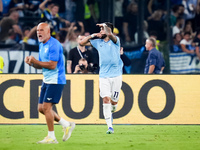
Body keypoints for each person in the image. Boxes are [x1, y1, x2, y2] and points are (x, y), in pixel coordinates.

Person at [24, 22, 75, 144]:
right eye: (37, 30)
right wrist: (32, 63)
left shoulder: (54, 45)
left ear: (48, 32)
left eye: (41, 30)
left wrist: (36, 61)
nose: (38, 33)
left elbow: (52, 65)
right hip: (47, 79)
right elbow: (41, 66)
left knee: (46, 107)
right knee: (41, 108)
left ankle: (51, 137)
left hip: (56, 80)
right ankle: (66, 124)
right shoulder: (42, 44)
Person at [79, 22, 123, 134]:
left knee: (114, 103)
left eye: (102, 29)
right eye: (101, 29)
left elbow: (110, 34)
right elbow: (82, 42)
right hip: (104, 75)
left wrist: (105, 26)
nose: (101, 31)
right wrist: (93, 35)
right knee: (105, 99)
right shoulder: (98, 42)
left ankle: (113, 109)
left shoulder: (115, 41)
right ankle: (110, 127)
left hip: (116, 75)